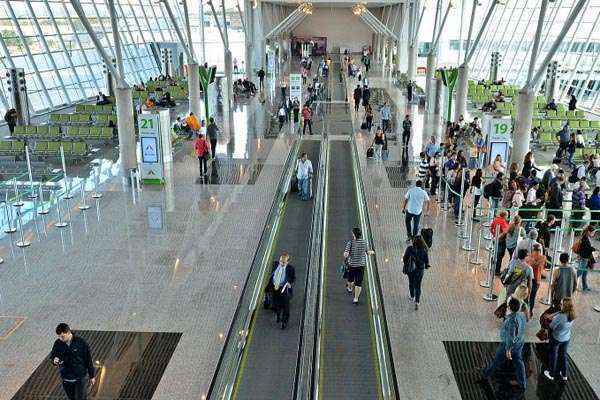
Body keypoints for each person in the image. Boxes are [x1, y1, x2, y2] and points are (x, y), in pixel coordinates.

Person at [481, 297, 527, 391]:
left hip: (508, 345)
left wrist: (508, 349)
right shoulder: (521, 315)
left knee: (497, 360)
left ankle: (486, 374)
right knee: (518, 362)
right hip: (520, 342)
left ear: (509, 308)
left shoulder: (511, 321)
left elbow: (510, 336)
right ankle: (522, 383)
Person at [51, 323, 96, 400]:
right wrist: (54, 360)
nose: (60, 339)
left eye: (62, 336)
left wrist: (92, 375)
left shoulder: (81, 343)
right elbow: (53, 356)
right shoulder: (58, 343)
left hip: (79, 378)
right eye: (59, 336)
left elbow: (88, 359)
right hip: (66, 378)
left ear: (68, 333)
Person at [544, 297, 576, 382]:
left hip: (557, 338)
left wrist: (551, 320)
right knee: (563, 355)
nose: (560, 305)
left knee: (553, 355)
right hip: (566, 337)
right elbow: (562, 318)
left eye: (561, 304)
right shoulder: (572, 314)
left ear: (564, 306)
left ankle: (551, 374)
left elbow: (551, 326)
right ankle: (564, 374)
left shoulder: (560, 317)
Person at [343, 227, 373, 304]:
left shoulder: (350, 243)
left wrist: (346, 254)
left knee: (350, 280)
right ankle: (356, 298)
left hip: (352, 265)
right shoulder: (364, 242)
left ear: (354, 234)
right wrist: (372, 252)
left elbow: (346, 254)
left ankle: (349, 288)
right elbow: (368, 252)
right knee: (358, 283)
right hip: (361, 266)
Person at [266, 252, 295, 329]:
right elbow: (272, 275)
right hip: (274, 288)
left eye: (284, 262)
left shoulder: (290, 269)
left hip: (283, 289)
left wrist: (289, 283)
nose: (281, 263)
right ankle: (278, 315)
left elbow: (293, 278)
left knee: (286, 306)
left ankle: (284, 322)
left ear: (287, 262)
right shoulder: (275, 264)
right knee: (276, 304)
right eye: (281, 261)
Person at [403, 235, 429, 310]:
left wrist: (406, 264)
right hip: (420, 270)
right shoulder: (424, 250)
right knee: (418, 286)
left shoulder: (410, 249)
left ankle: (412, 296)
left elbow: (405, 258)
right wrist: (426, 265)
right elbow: (426, 262)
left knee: (411, 282)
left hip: (411, 269)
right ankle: (417, 301)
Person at [526, 243, 546, 317]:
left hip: (528, 278)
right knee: (532, 296)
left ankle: (524, 310)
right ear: (540, 249)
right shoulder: (543, 257)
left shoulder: (528, 257)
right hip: (536, 280)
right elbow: (539, 265)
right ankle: (530, 311)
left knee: (526, 294)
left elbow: (533, 264)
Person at [573, 225, 595, 292]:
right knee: (579, 272)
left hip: (586, 257)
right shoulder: (585, 238)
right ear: (589, 232)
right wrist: (593, 249)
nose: (593, 234)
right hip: (584, 257)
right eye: (593, 232)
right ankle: (572, 285)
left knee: (585, 273)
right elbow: (587, 248)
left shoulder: (586, 237)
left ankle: (585, 287)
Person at [491, 211, 509, 275]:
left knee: (494, 254)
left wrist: (494, 235)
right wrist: (498, 237)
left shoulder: (495, 220)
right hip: (501, 241)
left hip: (494, 239)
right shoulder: (503, 222)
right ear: (505, 216)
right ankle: (497, 271)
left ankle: (491, 268)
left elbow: (491, 228)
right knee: (500, 255)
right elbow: (505, 232)